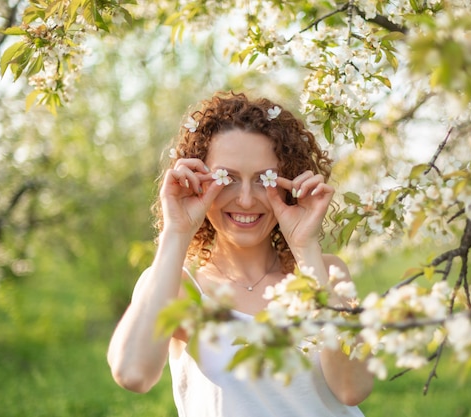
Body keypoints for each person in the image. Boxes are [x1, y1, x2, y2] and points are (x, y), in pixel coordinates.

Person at [107, 91, 374, 416]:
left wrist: (306, 248)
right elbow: (133, 374)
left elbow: (353, 388)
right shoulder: (179, 288)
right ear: (197, 180)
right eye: (227, 178)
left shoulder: (327, 273)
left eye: (265, 179)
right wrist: (176, 233)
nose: (246, 199)